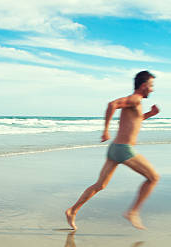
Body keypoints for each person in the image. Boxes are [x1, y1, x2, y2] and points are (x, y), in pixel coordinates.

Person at [65, 71, 160, 230]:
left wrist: (150, 114)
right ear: (143, 86)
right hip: (124, 150)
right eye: (151, 86)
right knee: (153, 177)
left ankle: (72, 210)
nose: (152, 90)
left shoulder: (136, 103)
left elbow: (135, 120)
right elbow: (112, 104)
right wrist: (106, 130)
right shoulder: (135, 99)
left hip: (115, 149)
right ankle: (133, 212)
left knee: (100, 185)